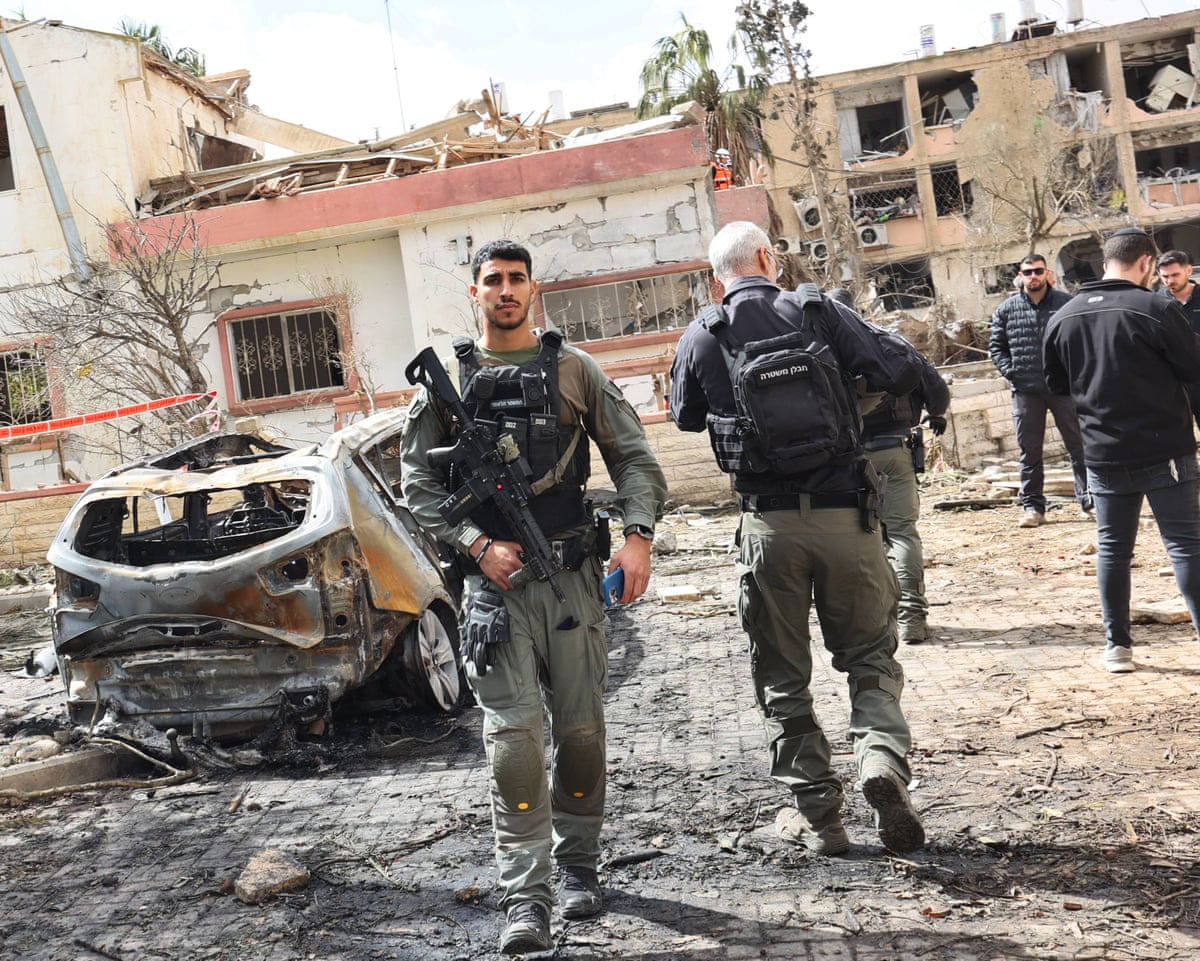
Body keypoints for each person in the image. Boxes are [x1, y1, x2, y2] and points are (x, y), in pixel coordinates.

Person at [400, 239, 667, 953]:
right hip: (494, 593)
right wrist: (478, 545)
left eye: (517, 279)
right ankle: (527, 894)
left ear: (533, 289)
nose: (506, 290)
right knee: (514, 743)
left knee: (580, 733)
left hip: (574, 578)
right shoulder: (445, 384)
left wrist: (637, 535)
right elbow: (417, 488)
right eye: (493, 280)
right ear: (475, 292)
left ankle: (579, 864)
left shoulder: (574, 369)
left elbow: (634, 456)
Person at [670, 221, 927, 857]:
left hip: (769, 531)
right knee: (869, 655)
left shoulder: (704, 333)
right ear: (767, 257)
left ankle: (823, 820)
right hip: (849, 521)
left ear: (715, 277)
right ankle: (880, 764)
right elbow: (897, 367)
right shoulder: (817, 308)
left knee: (783, 679)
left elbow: (683, 416)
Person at [1044, 227, 1200, 674]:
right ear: (1148, 263)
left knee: (1113, 550)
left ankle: (1118, 648)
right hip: (1165, 448)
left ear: (1104, 262)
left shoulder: (1064, 315)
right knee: (1185, 547)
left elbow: (1056, 385)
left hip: (1102, 452)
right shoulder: (1156, 308)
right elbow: (1192, 368)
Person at [988, 254, 1092, 528]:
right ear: (1020, 276)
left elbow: (1081, 342)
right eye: (1027, 272)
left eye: (1037, 271)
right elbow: (997, 348)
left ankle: (1089, 502)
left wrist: (1074, 376)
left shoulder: (1066, 304)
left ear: (1047, 273)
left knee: (1079, 447)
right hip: (1025, 392)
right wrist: (1013, 373)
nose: (1033, 276)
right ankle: (1034, 508)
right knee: (1029, 452)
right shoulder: (1006, 310)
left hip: (1063, 390)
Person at [859, 353, 950, 646]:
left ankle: (875, 623)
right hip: (895, 449)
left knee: (859, 539)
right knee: (901, 534)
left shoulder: (829, 347)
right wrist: (935, 413)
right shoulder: (891, 347)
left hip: (848, 457)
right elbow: (937, 391)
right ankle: (912, 621)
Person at [1155, 249, 1200, 429]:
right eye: (1165, 276)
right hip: (1176, 381)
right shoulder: (1156, 302)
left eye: (1175, 275)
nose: (1170, 281)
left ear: (1188, 271)